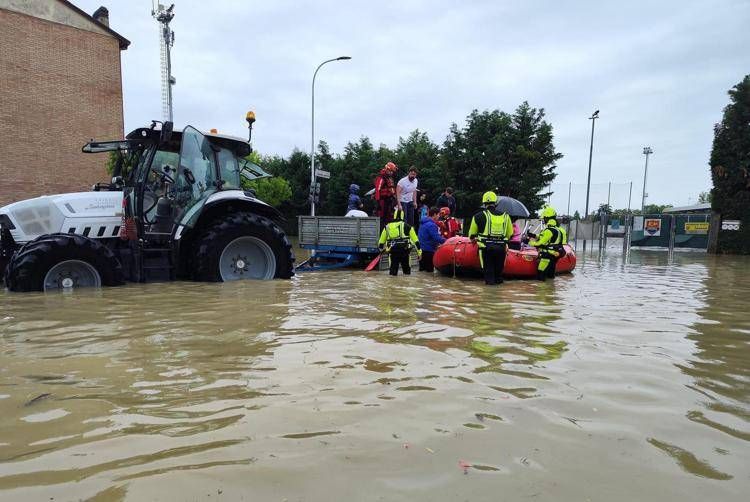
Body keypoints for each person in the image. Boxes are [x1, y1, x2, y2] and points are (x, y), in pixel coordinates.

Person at [467, 191, 513, 285]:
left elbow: (472, 235)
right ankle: (498, 296)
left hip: (486, 249)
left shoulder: (478, 216)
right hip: (501, 248)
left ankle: (489, 296)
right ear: (496, 203)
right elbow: (510, 234)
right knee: (498, 275)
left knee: (489, 275)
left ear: (484, 203)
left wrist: (473, 239)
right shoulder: (506, 216)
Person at [527, 206, 568, 281]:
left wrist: (528, 242)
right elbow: (546, 238)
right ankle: (550, 289)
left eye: (544, 218)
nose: (543, 220)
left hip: (548, 254)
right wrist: (533, 235)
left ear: (547, 218)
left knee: (541, 274)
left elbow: (540, 243)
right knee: (550, 274)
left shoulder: (548, 230)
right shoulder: (557, 230)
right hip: (555, 254)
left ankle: (543, 291)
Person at [378, 208, 421, 276]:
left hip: (392, 253)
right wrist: (419, 253)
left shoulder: (387, 227)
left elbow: (381, 242)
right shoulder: (408, 226)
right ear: (403, 216)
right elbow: (416, 242)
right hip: (405, 252)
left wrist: (381, 251)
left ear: (394, 216)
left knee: (392, 275)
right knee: (407, 274)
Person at [417, 207, 445, 272]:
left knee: (422, 272)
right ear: (434, 214)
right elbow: (436, 238)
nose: (439, 216)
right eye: (438, 214)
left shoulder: (422, 223)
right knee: (429, 273)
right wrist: (447, 241)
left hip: (421, 251)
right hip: (429, 251)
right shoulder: (432, 225)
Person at [374, 162, 398, 229]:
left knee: (389, 217)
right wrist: (378, 202)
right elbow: (377, 190)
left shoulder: (389, 178)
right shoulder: (381, 177)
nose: (392, 173)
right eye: (391, 171)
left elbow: (392, 189)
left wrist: (395, 199)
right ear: (387, 169)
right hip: (382, 201)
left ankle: (387, 232)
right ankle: (381, 232)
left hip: (389, 200)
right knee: (382, 217)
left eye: (393, 172)